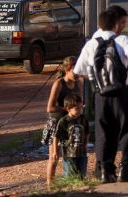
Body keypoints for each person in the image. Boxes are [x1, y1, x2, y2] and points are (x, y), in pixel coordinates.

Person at [73, 6, 128, 183]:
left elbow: (78, 70)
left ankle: (105, 171)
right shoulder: (123, 40)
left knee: (104, 133)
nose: (122, 27)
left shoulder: (91, 44)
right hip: (124, 93)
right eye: (121, 23)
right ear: (114, 24)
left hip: (101, 96)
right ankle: (126, 169)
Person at [43, 56, 83, 188]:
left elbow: (80, 102)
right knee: (54, 156)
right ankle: (50, 185)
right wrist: (67, 109)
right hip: (56, 123)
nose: (78, 73)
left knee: (71, 153)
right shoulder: (59, 83)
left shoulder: (79, 83)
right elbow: (50, 108)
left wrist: (80, 109)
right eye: (75, 71)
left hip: (71, 124)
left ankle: (71, 180)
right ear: (67, 69)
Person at [52, 94, 89, 184]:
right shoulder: (64, 121)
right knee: (70, 175)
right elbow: (56, 136)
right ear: (68, 109)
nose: (80, 111)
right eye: (77, 109)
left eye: (81, 108)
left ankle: (82, 190)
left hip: (81, 153)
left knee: (82, 175)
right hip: (69, 154)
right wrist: (55, 151)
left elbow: (87, 132)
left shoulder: (83, 119)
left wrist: (85, 144)